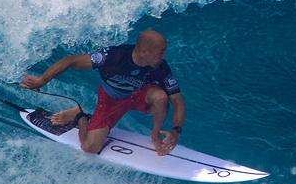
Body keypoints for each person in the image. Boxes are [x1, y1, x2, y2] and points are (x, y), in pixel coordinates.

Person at [20, 30, 186, 156]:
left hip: (139, 95)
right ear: (144, 52)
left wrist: (176, 129)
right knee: (90, 148)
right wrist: (42, 80)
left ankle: (155, 134)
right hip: (111, 99)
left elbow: (178, 101)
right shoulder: (113, 57)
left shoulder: (161, 67)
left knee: (161, 97)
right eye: (160, 52)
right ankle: (81, 117)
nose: (164, 57)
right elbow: (70, 60)